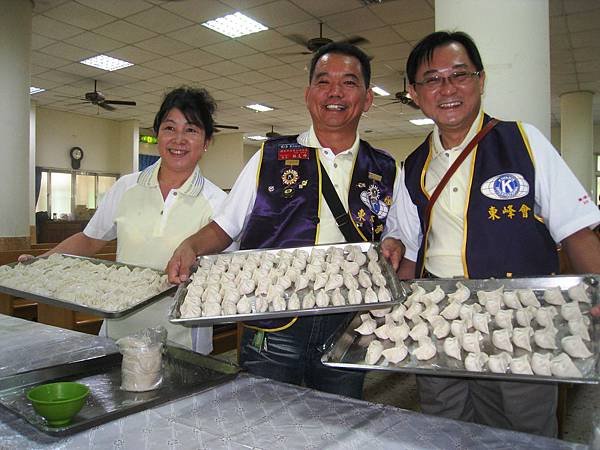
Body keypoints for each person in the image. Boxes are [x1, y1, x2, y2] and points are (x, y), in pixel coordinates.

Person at [383, 31, 600, 437]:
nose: (447, 88)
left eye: (459, 74)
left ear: (481, 80)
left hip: (522, 317)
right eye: (432, 79)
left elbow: (576, 231)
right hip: (440, 316)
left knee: (525, 426)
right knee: (445, 421)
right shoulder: (412, 165)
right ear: (414, 92)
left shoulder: (523, 141)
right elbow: (410, 252)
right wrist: (395, 314)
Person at [168, 42, 405, 399]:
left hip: (349, 326)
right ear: (309, 94)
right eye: (323, 82)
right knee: (264, 421)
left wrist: (394, 244)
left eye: (349, 82)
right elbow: (225, 226)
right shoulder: (271, 156)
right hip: (272, 321)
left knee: (340, 421)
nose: (335, 92)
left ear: (368, 98)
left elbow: (397, 235)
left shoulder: (386, 168)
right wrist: (191, 245)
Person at [20, 87, 233, 354]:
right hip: (119, 337)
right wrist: (41, 263)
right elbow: (88, 240)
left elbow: (224, 274)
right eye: (169, 128)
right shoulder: (126, 187)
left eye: (191, 130)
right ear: (157, 134)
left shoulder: (219, 203)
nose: (178, 139)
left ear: (206, 142)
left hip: (183, 343)